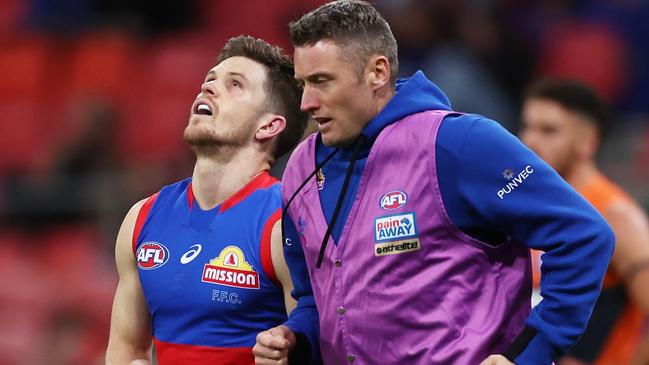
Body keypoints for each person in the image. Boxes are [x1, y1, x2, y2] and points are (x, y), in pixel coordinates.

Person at [253, 1, 615, 364]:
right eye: (302, 84)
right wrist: (295, 338)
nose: (305, 103)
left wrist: (530, 354)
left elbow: (584, 236)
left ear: (378, 72)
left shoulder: (458, 143)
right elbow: (314, 298)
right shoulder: (301, 167)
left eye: (321, 81)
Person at [105, 35, 319, 365]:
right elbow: (126, 351)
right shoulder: (141, 217)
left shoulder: (285, 223)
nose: (208, 88)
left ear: (268, 125)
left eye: (235, 85)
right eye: (210, 80)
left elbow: (315, 347)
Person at [521, 79, 649, 365]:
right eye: (527, 126)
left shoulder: (616, 215)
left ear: (587, 141)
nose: (530, 140)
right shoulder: (527, 209)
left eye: (548, 130)